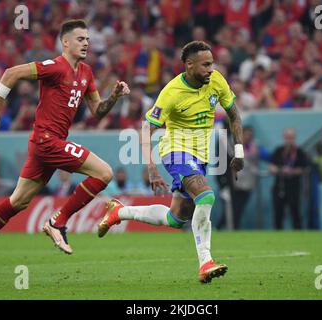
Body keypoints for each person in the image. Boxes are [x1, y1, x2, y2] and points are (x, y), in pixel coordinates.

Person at [0, 20, 130, 279]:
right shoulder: (54, 67)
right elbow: (10, 73)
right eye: (80, 39)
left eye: (88, 39)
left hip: (48, 144)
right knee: (103, 173)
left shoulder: (86, 73)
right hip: (47, 140)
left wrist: (113, 97)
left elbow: (96, 110)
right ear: (66, 42)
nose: (86, 43)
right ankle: (57, 221)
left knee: (18, 201)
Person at [97, 41, 245, 283]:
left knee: (177, 218)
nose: (211, 69)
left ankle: (119, 212)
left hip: (201, 156)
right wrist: (151, 167)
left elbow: (234, 114)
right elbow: (147, 129)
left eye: (212, 64)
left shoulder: (216, 81)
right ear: (189, 65)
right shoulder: (171, 92)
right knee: (206, 195)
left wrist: (238, 151)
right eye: (206, 65)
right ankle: (205, 262)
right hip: (176, 151)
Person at [268, 128, 308, 230]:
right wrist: (281, 170)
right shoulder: (279, 151)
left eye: (291, 137)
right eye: (287, 137)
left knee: (295, 211)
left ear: (294, 138)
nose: (289, 140)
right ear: (284, 138)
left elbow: (304, 169)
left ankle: (298, 234)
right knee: (278, 212)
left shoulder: (299, 152)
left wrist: (292, 171)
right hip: (279, 186)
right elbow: (271, 167)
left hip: (294, 186)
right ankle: (278, 234)